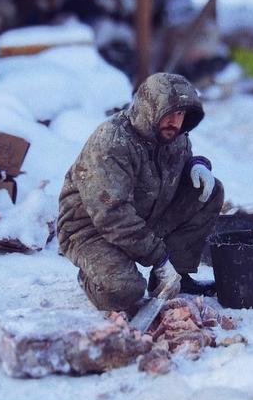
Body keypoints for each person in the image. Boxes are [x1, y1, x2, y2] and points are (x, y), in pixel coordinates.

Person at [57, 72, 224, 312]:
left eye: (181, 114)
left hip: (142, 216)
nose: (175, 122)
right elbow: (112, 214)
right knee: (125, 291)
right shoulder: (112, 142)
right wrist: (158, 258)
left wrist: (198, 165)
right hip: (90, 229)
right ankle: (91, 276)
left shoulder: (174, 137)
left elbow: (176, 167)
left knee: (209, 190)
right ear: (149, 109)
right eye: (169, 113)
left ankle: (178, 275)